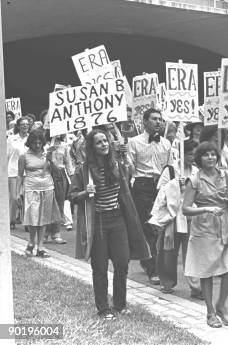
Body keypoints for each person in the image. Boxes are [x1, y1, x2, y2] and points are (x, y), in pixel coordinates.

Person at [69, 129, 150, 320]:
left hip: (118, 219)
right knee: (100, 266)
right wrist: (84, 193)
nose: (104, 144)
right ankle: (103, 308)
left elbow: (130, 176)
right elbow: (71, 195)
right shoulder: (83, 170)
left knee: (122, 263)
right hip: (97, 221)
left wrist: (123, 151)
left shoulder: (118, 166)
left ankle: (120, 304)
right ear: (91, 147)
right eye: (99, 142)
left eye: (105, 141)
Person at [183, 142, 228, 328]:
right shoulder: (194, 180)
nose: (210, 157)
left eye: (213, 154)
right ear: (199, 159)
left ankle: (221, 304)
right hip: (204, 228)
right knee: (206, 271)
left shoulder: (226, 175)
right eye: (205, 155)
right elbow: (185, 209)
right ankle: (210, 312)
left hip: (227, 226)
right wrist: (206, 208)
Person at [150, 140, 202, 298]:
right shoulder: (171, 170)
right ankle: (167, 282)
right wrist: (175, 185)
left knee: (192, 252)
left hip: (190, 215)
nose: (192, 157)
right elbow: (160, 189)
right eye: (189, 153)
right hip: (172, 216)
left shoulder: (196, 171)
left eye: (194, 154)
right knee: (168, 251)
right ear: (182, 153)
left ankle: (196, 287)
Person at [127, 108, 173, 285]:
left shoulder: (166, 144)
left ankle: (150, 261)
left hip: (161, 185)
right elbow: (130, 166)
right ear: (144, 121)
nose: (158, 122)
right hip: (142, 184)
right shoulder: (134, 142)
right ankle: (152, 267)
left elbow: (169, 167)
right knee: (148, 226)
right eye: (154, 119)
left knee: (161, 225)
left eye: (160, 119)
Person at [17, 129, 63, 258]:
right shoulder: (24, 156)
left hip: (47, 187)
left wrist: (51, 160)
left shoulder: (47, 154)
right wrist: (17, 192)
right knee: (33, 217)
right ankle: (31, 242)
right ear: (30, 143)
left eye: (39, 143)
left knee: (44, 217)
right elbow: (20, 175)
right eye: (34, 143)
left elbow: (57, 170)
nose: (37, 146)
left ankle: (41, 246)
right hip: (31, 188)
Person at [45, 134, 74, 244]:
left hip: (60, 175)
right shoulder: (44, 144)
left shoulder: (64, 146)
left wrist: (72, 178)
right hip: (47, 173)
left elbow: (68, 162)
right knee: (47, 204)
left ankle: (56, 233)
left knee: (59, 204)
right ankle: (45, 233)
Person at [8, 117, 29, 229]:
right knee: (14, 197)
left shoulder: (31, 138)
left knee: (27, 197)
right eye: (22, 124)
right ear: (18, 126)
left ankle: (26, 221)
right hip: (13, 171)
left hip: (27, 171)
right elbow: (6, 155)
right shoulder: (11, 139)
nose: (25, 126)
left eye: (27, 124)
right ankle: (11, 220)